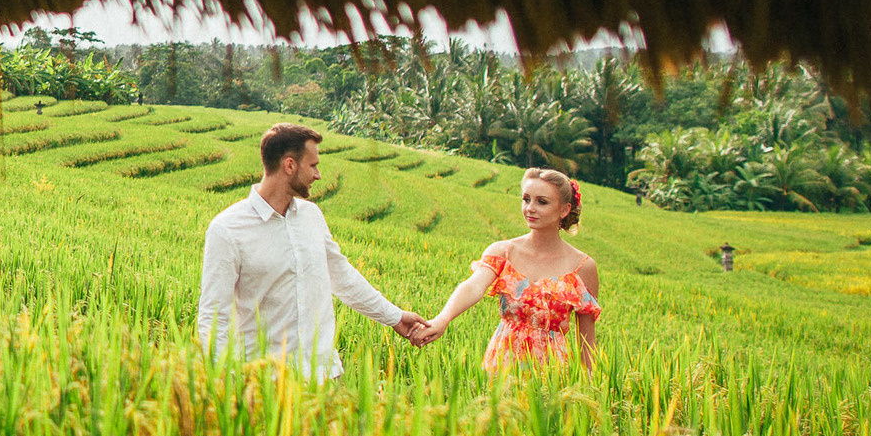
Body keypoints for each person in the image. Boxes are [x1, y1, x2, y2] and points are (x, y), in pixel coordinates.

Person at [197, 122, 431, 376]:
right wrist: (220, 383)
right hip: (265, 383)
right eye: (313, 165)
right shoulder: (227, 229)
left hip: (324, 377)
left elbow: (342, 277)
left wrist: (394, 317)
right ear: (289, 165)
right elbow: (214, 315)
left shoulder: (311, 216)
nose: (318, 175)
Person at [419, 167, 600, 370]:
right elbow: (473, 287)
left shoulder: (582, 267)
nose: (530, 208)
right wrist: (442, 319)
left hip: (551, 372)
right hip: (501, 365)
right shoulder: (503, 251)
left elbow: (586, 341)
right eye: (526, 199)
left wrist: (588, 391)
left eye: (542, 202)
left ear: (564, 210)